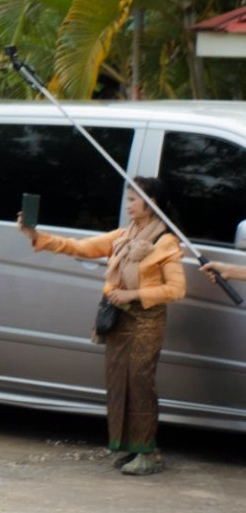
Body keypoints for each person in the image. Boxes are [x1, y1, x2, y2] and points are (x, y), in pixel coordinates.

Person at [20, 177, 189, 477]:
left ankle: (149, 453)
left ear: (152, 204)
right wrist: (35, 234)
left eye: (134, 199)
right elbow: (80, 247)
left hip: (146, 322)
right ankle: (132, 447)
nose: (129, 204)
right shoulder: (124, 236)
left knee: (140, 383)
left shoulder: (165, 241)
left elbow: (176, 289)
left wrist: (134, 294)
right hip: (119, 319)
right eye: (129, 198)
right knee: (118, 382)